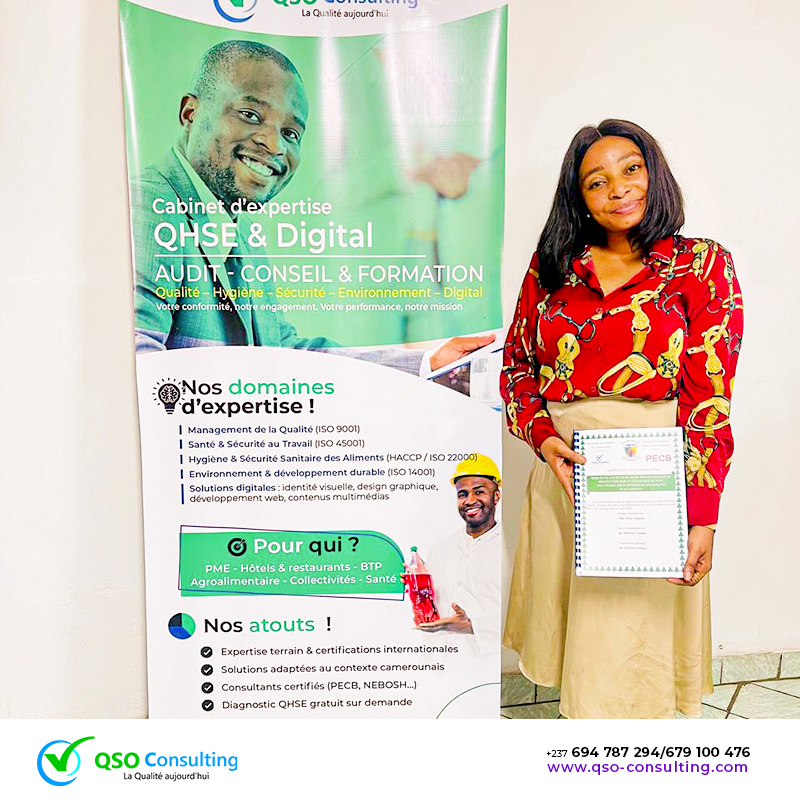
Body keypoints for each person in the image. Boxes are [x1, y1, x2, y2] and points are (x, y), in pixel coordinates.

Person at [501, 119, 744, 719]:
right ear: (579, 197)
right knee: (584, 655)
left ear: (654, 173)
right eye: (596, 181)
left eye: (631, 169)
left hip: (652, 484)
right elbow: (516, 368)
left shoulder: (700, 264)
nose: (618, 189)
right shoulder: (553, 266)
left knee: (638, 649)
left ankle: (637, 760)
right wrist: (543, 439)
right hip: (564, 476)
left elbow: (710, 398)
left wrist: (703, 515)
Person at [130, 40, 491, 370]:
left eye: (291, 133)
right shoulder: (149, 208)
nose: (275, 145)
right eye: (251, 115)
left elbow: (282, 350)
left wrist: (428, 364)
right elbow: (136, 367)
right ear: (190, 113)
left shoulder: (238, 226)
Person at [418, 455, 502, 657]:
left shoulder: (510, 547)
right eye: (462, 494)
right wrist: (419, 583)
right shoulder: (440, 548)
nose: (470, 500)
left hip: (488, 664)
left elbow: (523, 613)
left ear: (496, 496)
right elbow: (431, 604)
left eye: (479, 492)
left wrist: (472, 625)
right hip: (439, 661)